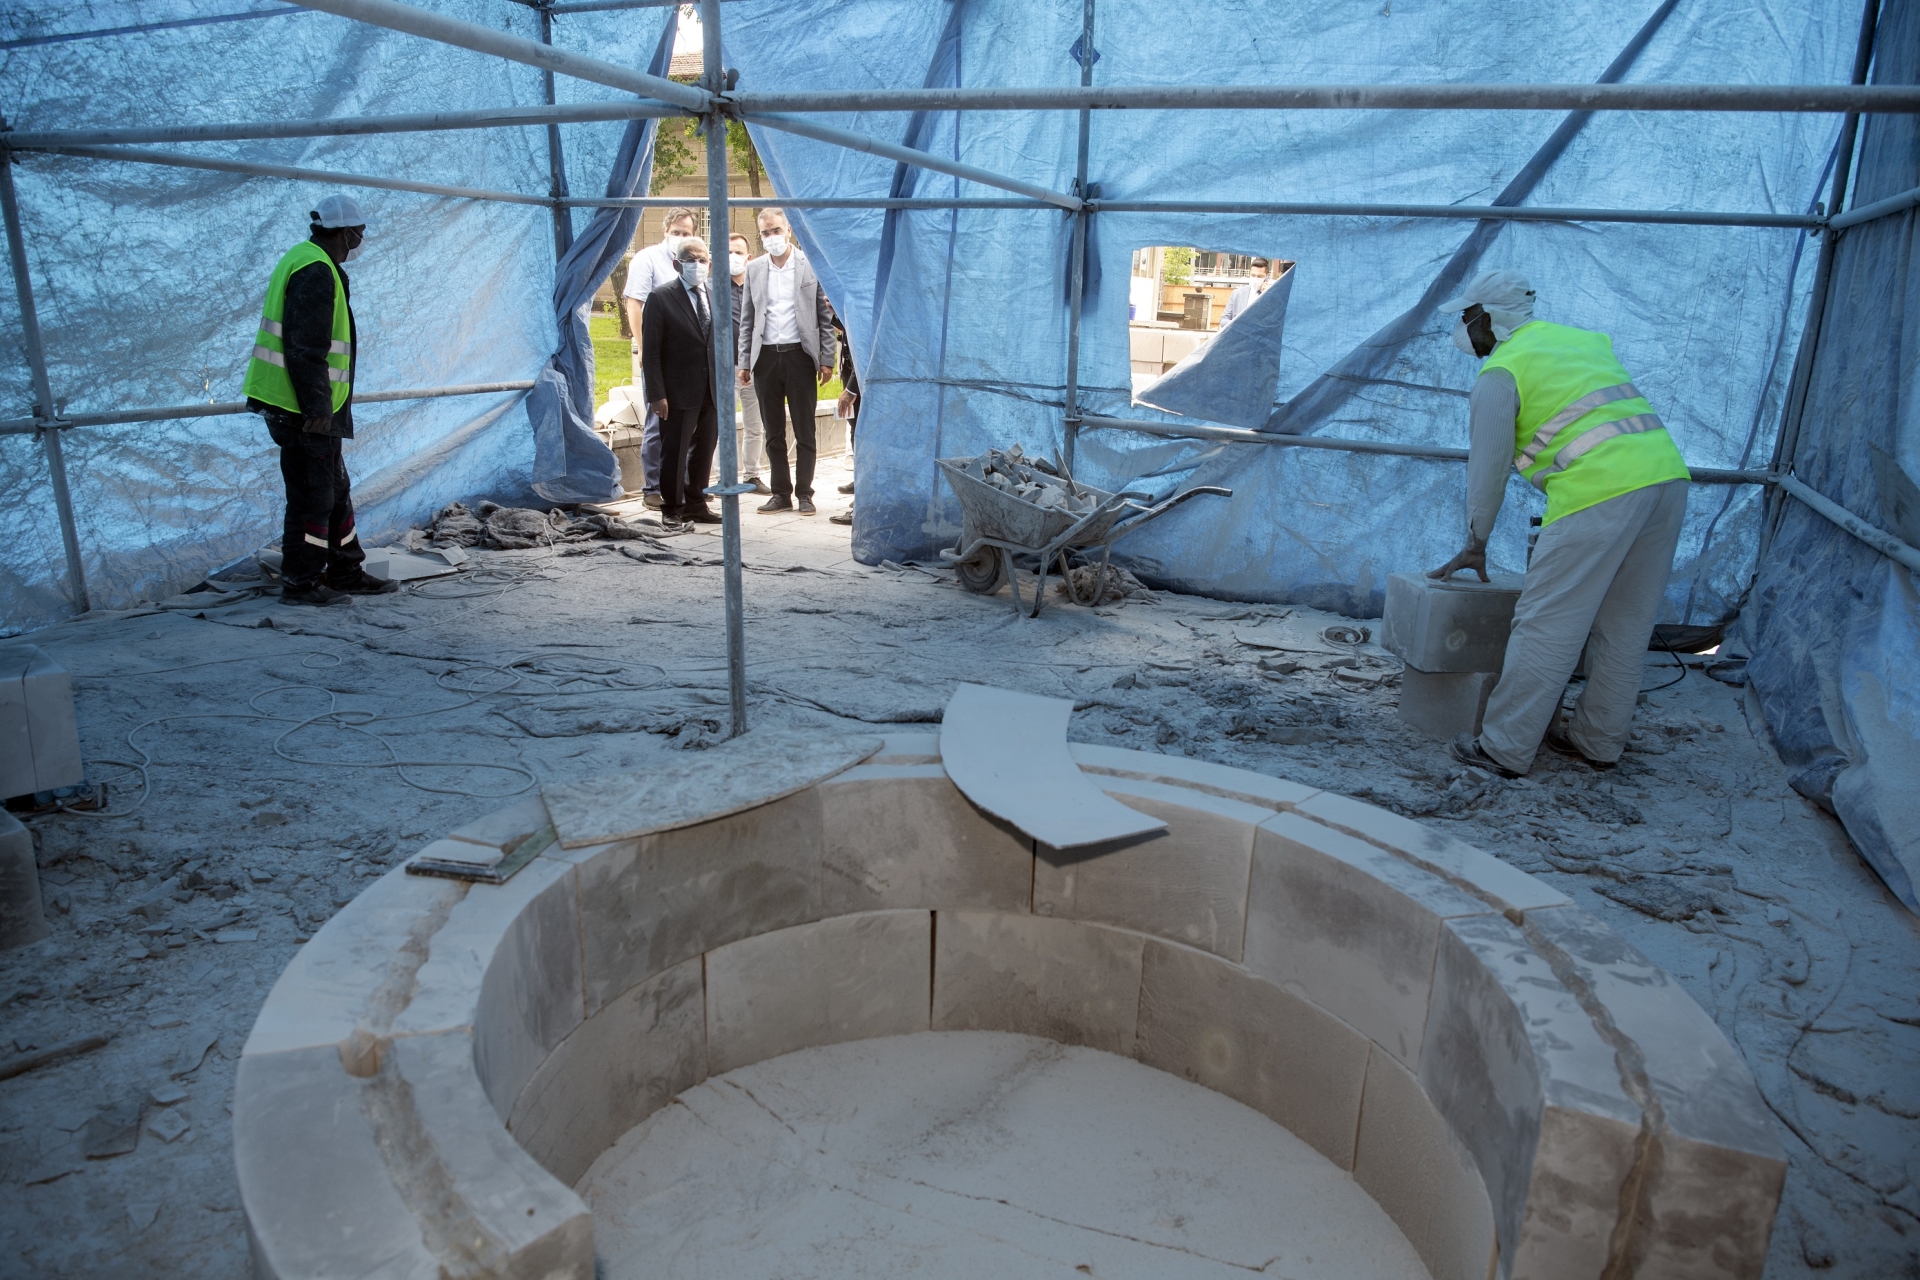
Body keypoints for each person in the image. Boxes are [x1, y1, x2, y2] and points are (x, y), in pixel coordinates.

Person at [1429, 269, 1691, 777]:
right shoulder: (1575, 342)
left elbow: (1487, 473)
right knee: (1625, 626)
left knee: (1548, 623)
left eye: (1465, 317)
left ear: (1487, 317)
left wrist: (1475, 542)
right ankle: (1599, 743)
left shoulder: (1501, 373)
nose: (1461, 328)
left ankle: (1502, 749)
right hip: (1667, 482)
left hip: (1600, 491)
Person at [242, 194, 397, 606]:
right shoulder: (314, 269)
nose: (360, 242)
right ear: (344, 232)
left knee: (334, 490)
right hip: (300, 409)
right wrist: (315, 410)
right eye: (359, 234)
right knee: (313, 496)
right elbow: (304, 347)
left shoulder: (307, 258)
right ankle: (301, 582)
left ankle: (345, 570)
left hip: (308, 407)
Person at [736, 209, 836, 515]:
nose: (771, 237)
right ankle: (781, 493)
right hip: (765, 358)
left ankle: (805, 492)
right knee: (773, 430)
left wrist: (827, 358)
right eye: (765, 233)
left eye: (776, 230)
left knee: (805, 430)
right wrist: (744, 361)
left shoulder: (810, 265)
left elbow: (825, 318)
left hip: (800, 356)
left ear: (788, 230)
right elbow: (747, 320)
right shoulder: (754, 269)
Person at [640, 236, 720, 528]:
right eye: (690, 260)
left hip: (711, 390)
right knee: (674, 451)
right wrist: (657, 394)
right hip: (676, 391)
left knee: (705, 447)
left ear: (709, 265)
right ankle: (672, 507)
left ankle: (696, 503)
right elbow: (650, 352)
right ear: (677, 264)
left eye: (702, 260)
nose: (697, 265)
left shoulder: (713, 294)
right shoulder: (661, 298)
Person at [623, 208, 699, 508]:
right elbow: (634, 305)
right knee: (658, 419)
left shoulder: (694, 263)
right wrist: (644, 348)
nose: (681, 237)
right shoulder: (648, 259)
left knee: (690, 423)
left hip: (690, 360)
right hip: (660, 355)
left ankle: (686, 485)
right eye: (677, 232)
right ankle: (652, 487)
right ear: (666, 231)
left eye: (687, 232)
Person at [727, 232, 770, 496]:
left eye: (739, 252)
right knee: (725, 426)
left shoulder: (758, 287)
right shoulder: (713, 288)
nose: (734, 257)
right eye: (729, 252)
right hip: (726, 368)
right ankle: (726, 478)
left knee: (756, 426)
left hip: (756, 368)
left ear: (749, 257)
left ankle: (752, 474)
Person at [828, 311, 859, 526]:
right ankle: (860, 487)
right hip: (849, 373)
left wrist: (852, 389)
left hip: (860, 384)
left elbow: (866, 347)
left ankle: (863, 503)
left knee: (863, 438)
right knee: (855, 434)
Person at [1219, 257, 1271, 328]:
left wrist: (1267, 295)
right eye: (1253, 275)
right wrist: (1238, 325)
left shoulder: (1271, 296)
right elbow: (1224, 320)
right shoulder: (1237, 293)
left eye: (1259, 276)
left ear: (1267, 277)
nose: (1255, 279)